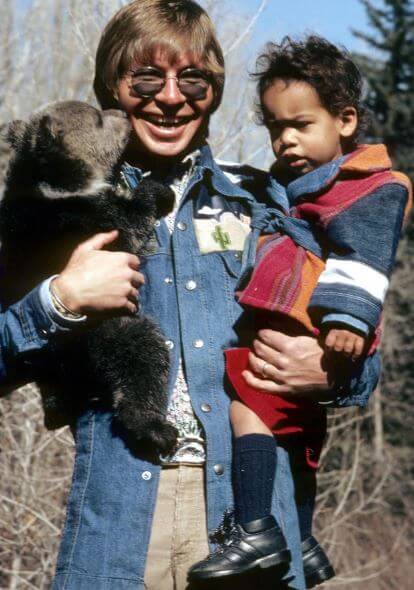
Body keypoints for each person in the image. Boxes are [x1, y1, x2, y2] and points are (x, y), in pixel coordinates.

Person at [0, 5, 381, 590]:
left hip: (250, 525)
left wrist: (332, 371)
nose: (170, 98)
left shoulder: (268, 203)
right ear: (111, 89)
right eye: (146, 79)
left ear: (215, 92)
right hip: (123, 528)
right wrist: (60, 298)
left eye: (193, 80)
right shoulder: (52, 213)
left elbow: (359, 340)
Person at [189, 36, 411, 586]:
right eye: (273, 127)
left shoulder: (365, 186)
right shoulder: (297, 184)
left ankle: (257, 527)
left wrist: (349, 320)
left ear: (345, 120)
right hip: (300, 328)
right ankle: (303, 537)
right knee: (300, 439)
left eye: (300, 124)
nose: (284, 139)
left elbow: (366, 255)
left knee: (247, 403)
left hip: (317, 326)